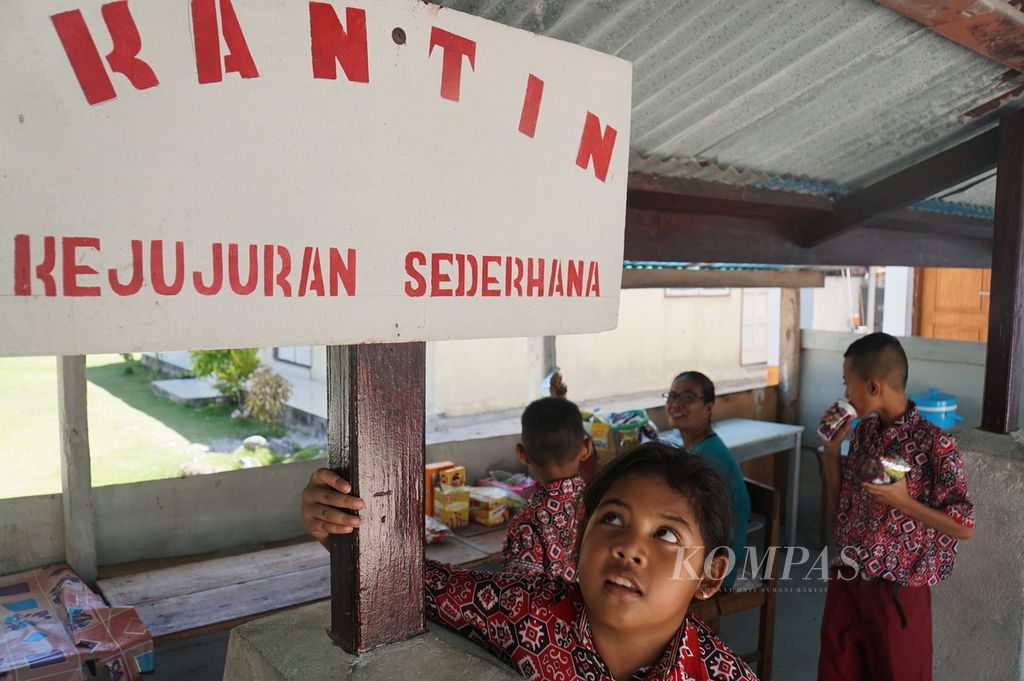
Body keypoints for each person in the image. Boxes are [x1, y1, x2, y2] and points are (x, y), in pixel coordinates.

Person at [301, 442, 757, 680]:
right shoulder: (524, 609)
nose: (629, 548)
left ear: (709, 575)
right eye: (614, 518)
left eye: (666, 534)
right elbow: (407, 583)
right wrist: (335, 527)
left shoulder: (723, 675)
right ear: (580, 539)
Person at [817, 332, 974, 681]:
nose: (845, 394)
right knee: (837, 671)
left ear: (873, 387)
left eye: (848, 383)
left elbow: (964, 526)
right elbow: (839, 505)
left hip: (897, 592)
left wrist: (904, 502)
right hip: (848, 579)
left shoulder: (935, 444)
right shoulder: (863, 434)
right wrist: (830, 450)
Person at [663, 371, 751, 588]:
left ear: (710, 407)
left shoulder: (708, 458)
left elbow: (692, 527)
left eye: (687, 397)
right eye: (672, 396)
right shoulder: (697, 448)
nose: (675, 404)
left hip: (715, 569)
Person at [502, 396, 591, 581]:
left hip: (552, 611)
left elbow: (520, 598)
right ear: (586, 448)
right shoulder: (600, 504)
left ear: (522, 454)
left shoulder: (527, 525)